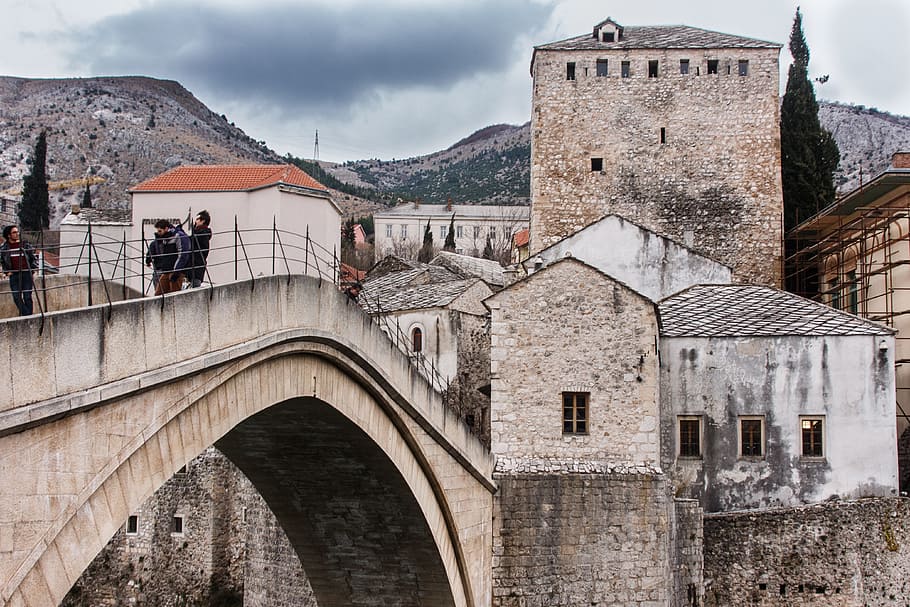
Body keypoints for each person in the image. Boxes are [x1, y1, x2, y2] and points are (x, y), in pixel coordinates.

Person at [1, 225, 39, 316]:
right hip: (14, 275)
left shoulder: (25, 245)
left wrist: (33, 270)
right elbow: (2, 261)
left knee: (27, 297)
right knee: (16, 297)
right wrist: (7, 272)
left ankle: (28, 318)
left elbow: (33, 258)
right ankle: (27, 316)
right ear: (9, 235)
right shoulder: (4, 248)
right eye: (14, 232)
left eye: (17, 232)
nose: (17, 234)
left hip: (26, 273)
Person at [189, 210, 211, 288]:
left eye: (197, 219)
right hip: (194, 265)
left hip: (197, 265)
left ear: (203, 221)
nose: (195, 221)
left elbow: (203, 251)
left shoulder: (202, 234)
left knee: (195, 288)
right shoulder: (199, 233)